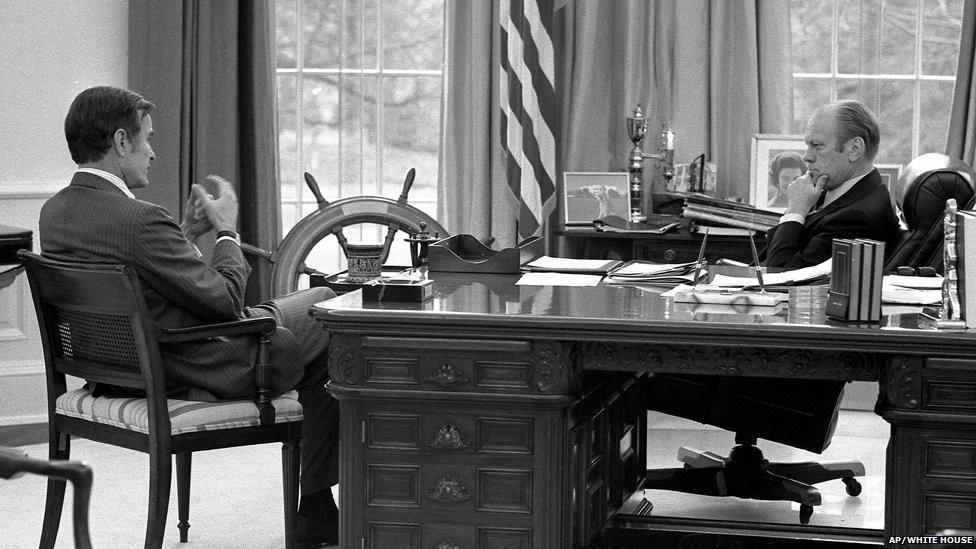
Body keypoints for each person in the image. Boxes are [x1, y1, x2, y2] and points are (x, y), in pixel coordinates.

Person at [40, 86, 339, 547]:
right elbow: (227, 304)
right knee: (330, 313)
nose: (153, 152)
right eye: (147, 139)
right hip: (192, 363)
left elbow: (143, 285)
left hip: (120, 368)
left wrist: (182, 234)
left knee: (317, 300)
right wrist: (227, 230)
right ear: (121, 142)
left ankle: (318, 509)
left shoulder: (55, 212)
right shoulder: (138, 219)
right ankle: (317, 506)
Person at [764, 99, 901, 268]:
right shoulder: (834, 189)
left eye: (817, 146)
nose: (806, 157)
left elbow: (779, 275)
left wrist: (795, 211)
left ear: (854, 149)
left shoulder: (858, 218)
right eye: (807, 145)